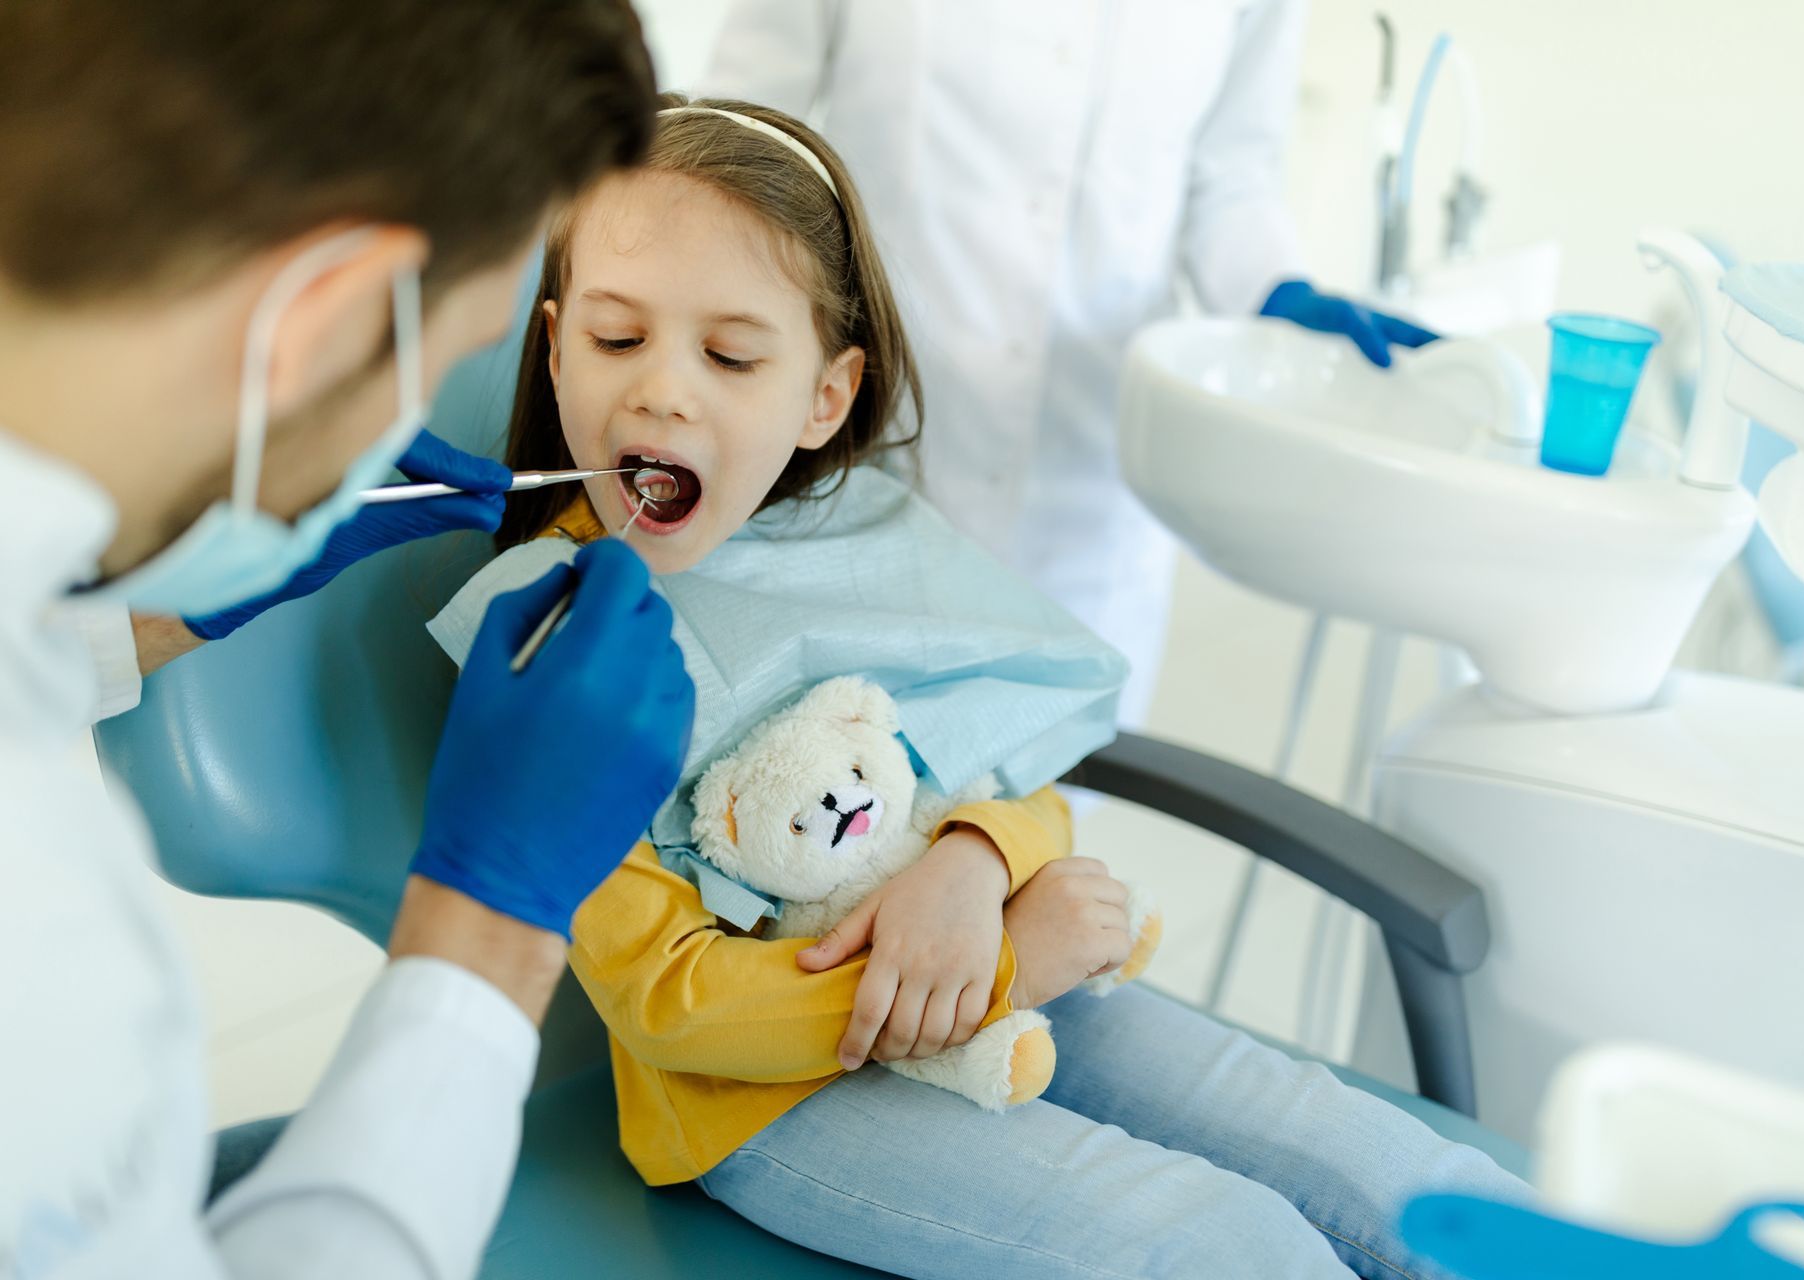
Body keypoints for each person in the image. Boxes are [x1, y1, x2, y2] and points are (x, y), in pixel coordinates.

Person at [440, 97, 1524, 1280]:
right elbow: (667, 1002)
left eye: (731, 354)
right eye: (615, 339)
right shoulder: (547, 631)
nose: (664, 393)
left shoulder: (864, 539)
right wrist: (997, 967)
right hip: (763, 1095)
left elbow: (1015, 757)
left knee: (1395, 1173)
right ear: (553, 346)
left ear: (826, 395)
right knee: (1228, 1246)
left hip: (1011, 954)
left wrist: (973, 865)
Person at [0, 3, 693, 1275]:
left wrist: (148, 616)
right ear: (321, 318)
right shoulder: (44, 951)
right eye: (446, 355)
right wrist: (490, 931)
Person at [701, 0, 1440, 724]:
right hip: (861, 436)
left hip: (1085, 489)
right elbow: (741, 125)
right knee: (819, 781)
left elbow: (1231, 176)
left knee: (1046, 805)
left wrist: (1275, 287)